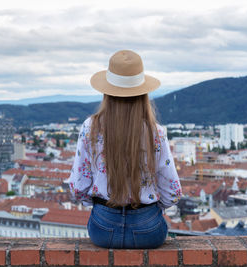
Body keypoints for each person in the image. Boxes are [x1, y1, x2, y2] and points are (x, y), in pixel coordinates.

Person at [68, 50, 181, 249]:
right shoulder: (156, 132)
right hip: (148, 228)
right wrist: (151, 209)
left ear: (107, 93)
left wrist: (97, 205)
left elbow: (78, 187)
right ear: (143, 93)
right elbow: (172, 191)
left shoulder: (90, 128)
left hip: (102, 227)